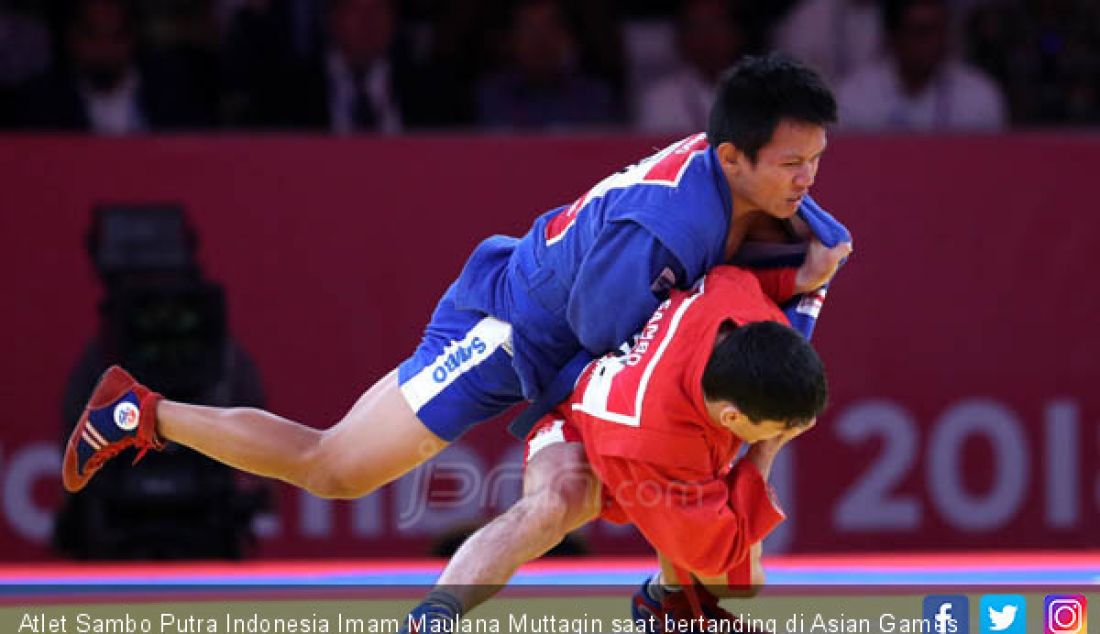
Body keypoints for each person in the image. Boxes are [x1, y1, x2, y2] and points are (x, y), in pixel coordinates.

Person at [61, 55, 851, 569]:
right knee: (335, 467)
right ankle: (143, 412)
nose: (807, 180)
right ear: (731, 157)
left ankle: (672, 601)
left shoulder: (756, 194)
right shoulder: (666, 232)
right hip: (511, 332)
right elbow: (598, 339)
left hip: (564, 321)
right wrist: (805, 302)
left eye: (816, 160)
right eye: (792, 164)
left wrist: (807, 284)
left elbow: (749, 339)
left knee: (666, 453)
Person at [401, 262, 836, 633]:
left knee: (698, 524)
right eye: (782, 427)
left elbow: (769, 270)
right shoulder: (663, 448)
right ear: (734, 418)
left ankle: (670, 604)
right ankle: (435, 613)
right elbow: (720, 553)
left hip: (645, 410)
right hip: (593, 429)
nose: (792, 430)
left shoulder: (734, 297)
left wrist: (810, 270)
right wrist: (767, 451)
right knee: (553, 508)